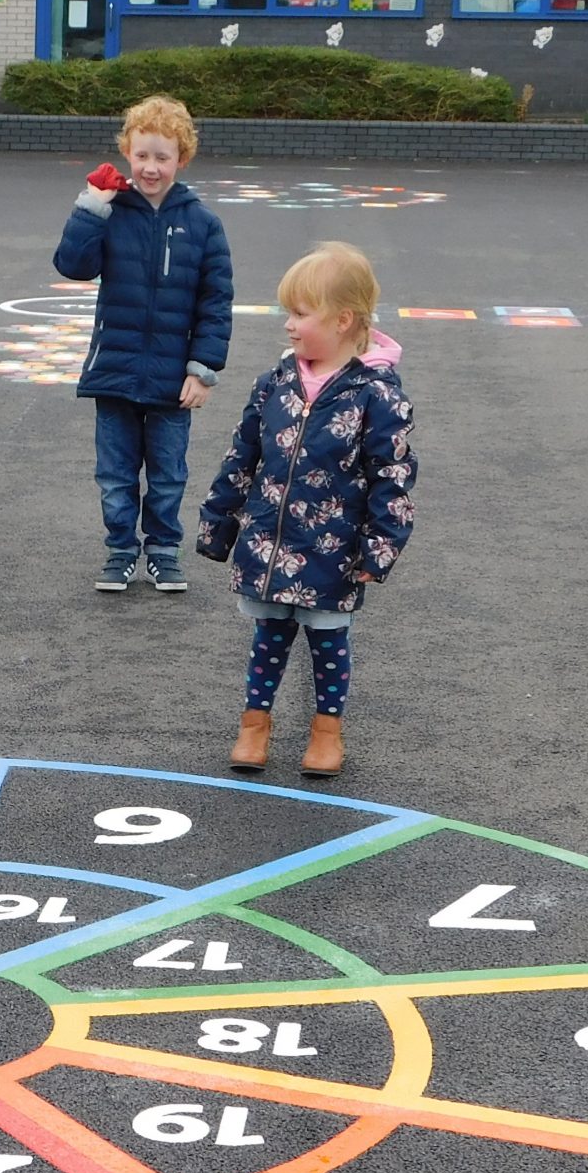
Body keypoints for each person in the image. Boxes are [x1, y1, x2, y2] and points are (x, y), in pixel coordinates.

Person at [195, 241, 414, 779]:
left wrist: (379, 547)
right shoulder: (275, 382)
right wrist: (219, 521)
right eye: (287, 313)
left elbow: (394, 475)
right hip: (269, 541)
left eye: (300, 313)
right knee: (268, 636)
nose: (289, 325)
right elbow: (242, 454)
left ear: (342, 320)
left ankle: (326, 732)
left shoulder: (377, 395)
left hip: (332, 546)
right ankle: (254, 724)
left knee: (327, 641)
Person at [52, 93, 234, 593]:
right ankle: (119, 550)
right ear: (127, 153)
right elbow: (73, 265)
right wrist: (91, 207)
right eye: (142, 155)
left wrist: (202, 368)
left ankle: (162, 550)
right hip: (115, 368)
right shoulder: (113, 211)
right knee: (114, 473)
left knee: (168, 472)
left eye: (163, 157)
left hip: (175, 376)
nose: (151, 167)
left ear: (182, 159)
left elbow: (215, 301)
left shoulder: (202, 223)